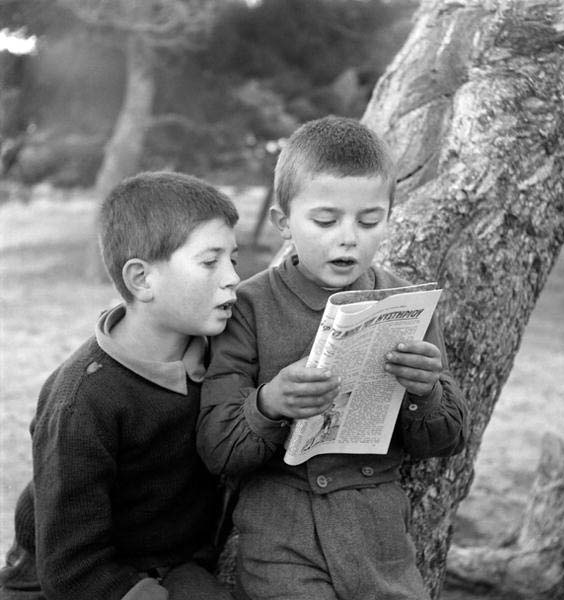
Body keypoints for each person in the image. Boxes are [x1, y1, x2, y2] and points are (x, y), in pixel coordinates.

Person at [197, 116, 468, 600]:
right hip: (282, 534)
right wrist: (270, 403)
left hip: (378, 539)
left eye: (369, 221)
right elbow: (217, 449)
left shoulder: (406, 306)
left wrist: (425, 392)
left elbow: (446, 441)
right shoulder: (250, 308)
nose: (348, 238)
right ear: (284, 223)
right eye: (325, 221)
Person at [0, 172, 241, 600]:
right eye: (210, 262)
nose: (232, 278)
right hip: (73, 581)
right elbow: (68, 565)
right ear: (142, 280)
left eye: (233, 260)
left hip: (172, 561)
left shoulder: (222, 355)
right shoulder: (83, 400)